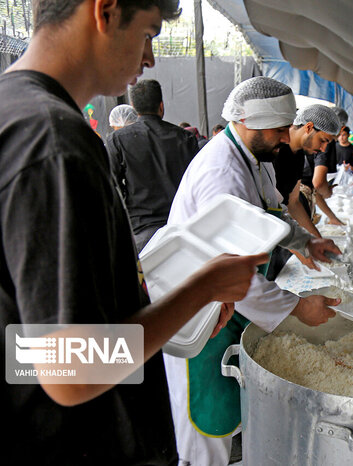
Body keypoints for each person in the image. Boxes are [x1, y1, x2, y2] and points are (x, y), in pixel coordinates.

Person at [0, 1, 266, 464]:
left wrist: (169, 318)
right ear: (104, 12)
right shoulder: (53, 143)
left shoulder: (12, 113)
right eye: (148, 33)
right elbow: (69, 370)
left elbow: (27, 350)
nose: (150, 59)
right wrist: (203, 288)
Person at [164, 77, 342, 466]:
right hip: (197, 311)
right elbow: (230, 273)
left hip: (221, 304)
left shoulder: (248, 158)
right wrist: (298, 307)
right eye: (280, 130)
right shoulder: (222, 172)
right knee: (202, 431)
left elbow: (267, 214)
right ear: (252, 122)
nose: (284, 138)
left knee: (223, 415)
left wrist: (305, 242)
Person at [105, 78, 199, 252]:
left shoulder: (118, 140)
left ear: (134, 106)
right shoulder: (185, 138)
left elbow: (112, 187)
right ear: (161, 106)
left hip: (142, 231)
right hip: (182, 228)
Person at [268, 104, 341, 276]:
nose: (323, 149)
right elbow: (270, 211)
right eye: (323, 141)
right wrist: (302, 248)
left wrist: (318, 241)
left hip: (283, 229)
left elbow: (293, 203)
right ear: (308, 127)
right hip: (267, 232)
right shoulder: (273, 153)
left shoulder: (299, 156)